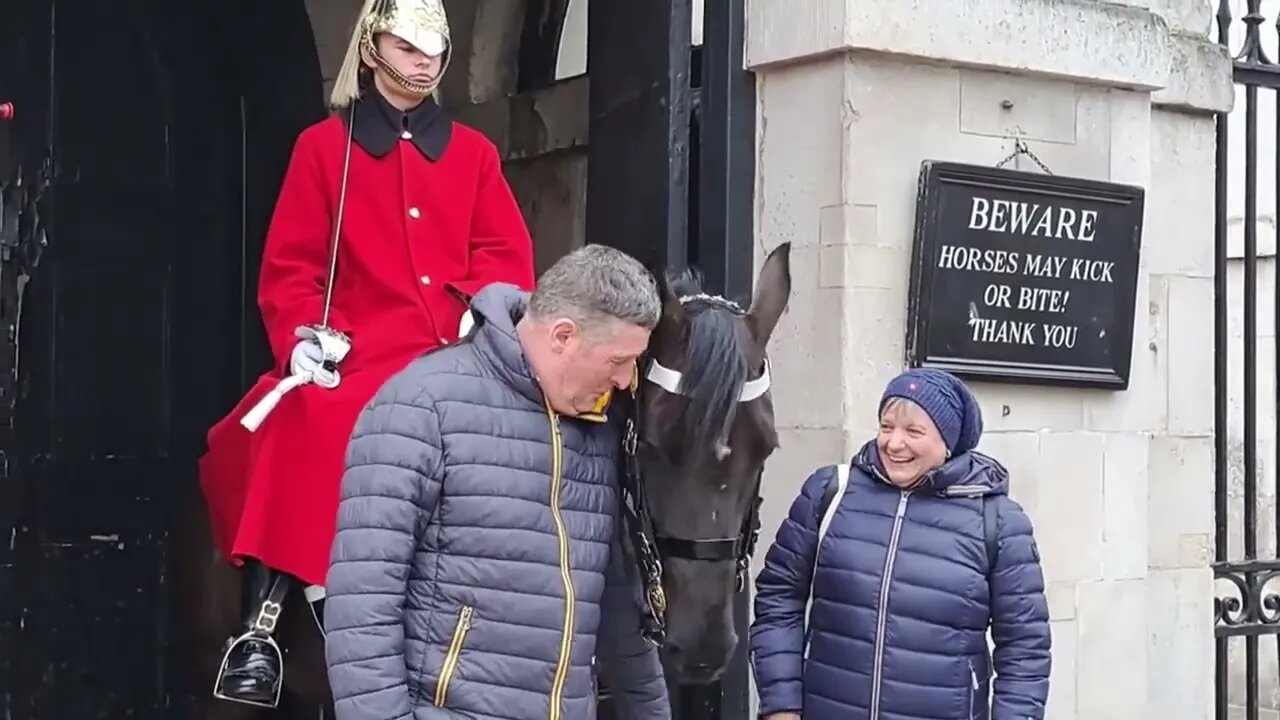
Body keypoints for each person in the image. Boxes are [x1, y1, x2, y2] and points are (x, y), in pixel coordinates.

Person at [197, 0, 536, 705]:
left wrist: (481, 310)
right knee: (296, 421)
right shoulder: (323, 148)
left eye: (433, 49)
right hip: (354, 353)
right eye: (406, 47)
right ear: (372, 47)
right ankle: (261, 629)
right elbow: (292, 267)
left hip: (452, 352)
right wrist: (300, 339)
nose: (422, 61)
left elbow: (506, 255)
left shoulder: (472, 154)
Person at [324, 245, 670, 720]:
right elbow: (362, 606)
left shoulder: (599, 425)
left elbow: (615, 601)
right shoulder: (420, 406)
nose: (629, 379)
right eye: (619, 360)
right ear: (563, 336)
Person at [750, 367, 1051, 719]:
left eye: (913, 431)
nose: (893, 444)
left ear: (949, 441)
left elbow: (1025, 650)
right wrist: (781, 704)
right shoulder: (830, 493)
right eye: (886, 427)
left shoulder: (998, 522)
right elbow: (778, 597)